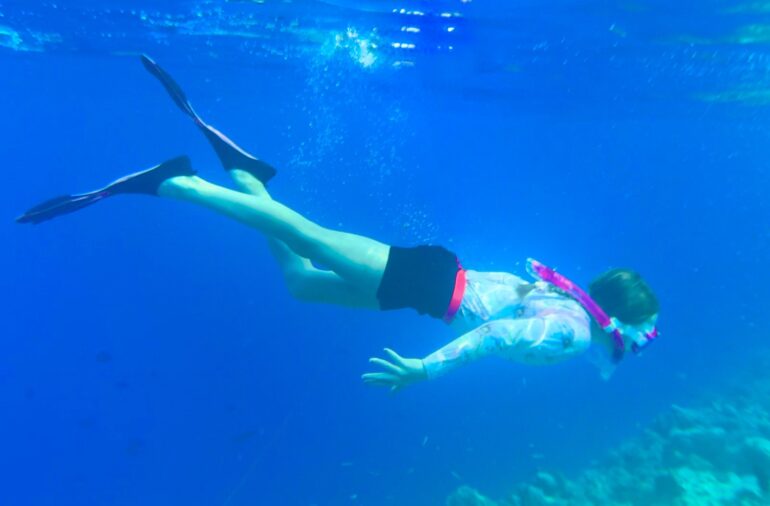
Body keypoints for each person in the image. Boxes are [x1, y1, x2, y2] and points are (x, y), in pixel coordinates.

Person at [16, 56, 660, 391]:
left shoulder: (575, 312)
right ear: (621, 324)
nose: (643, 343)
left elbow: (504, 320)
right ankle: (176, 182)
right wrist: (425, 372)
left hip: (428, 287)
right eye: (646, 334)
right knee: (306, 234)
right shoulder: (573, 334)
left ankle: (246, 175)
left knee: (298, 277)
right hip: (431, 283)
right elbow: (492, 337)